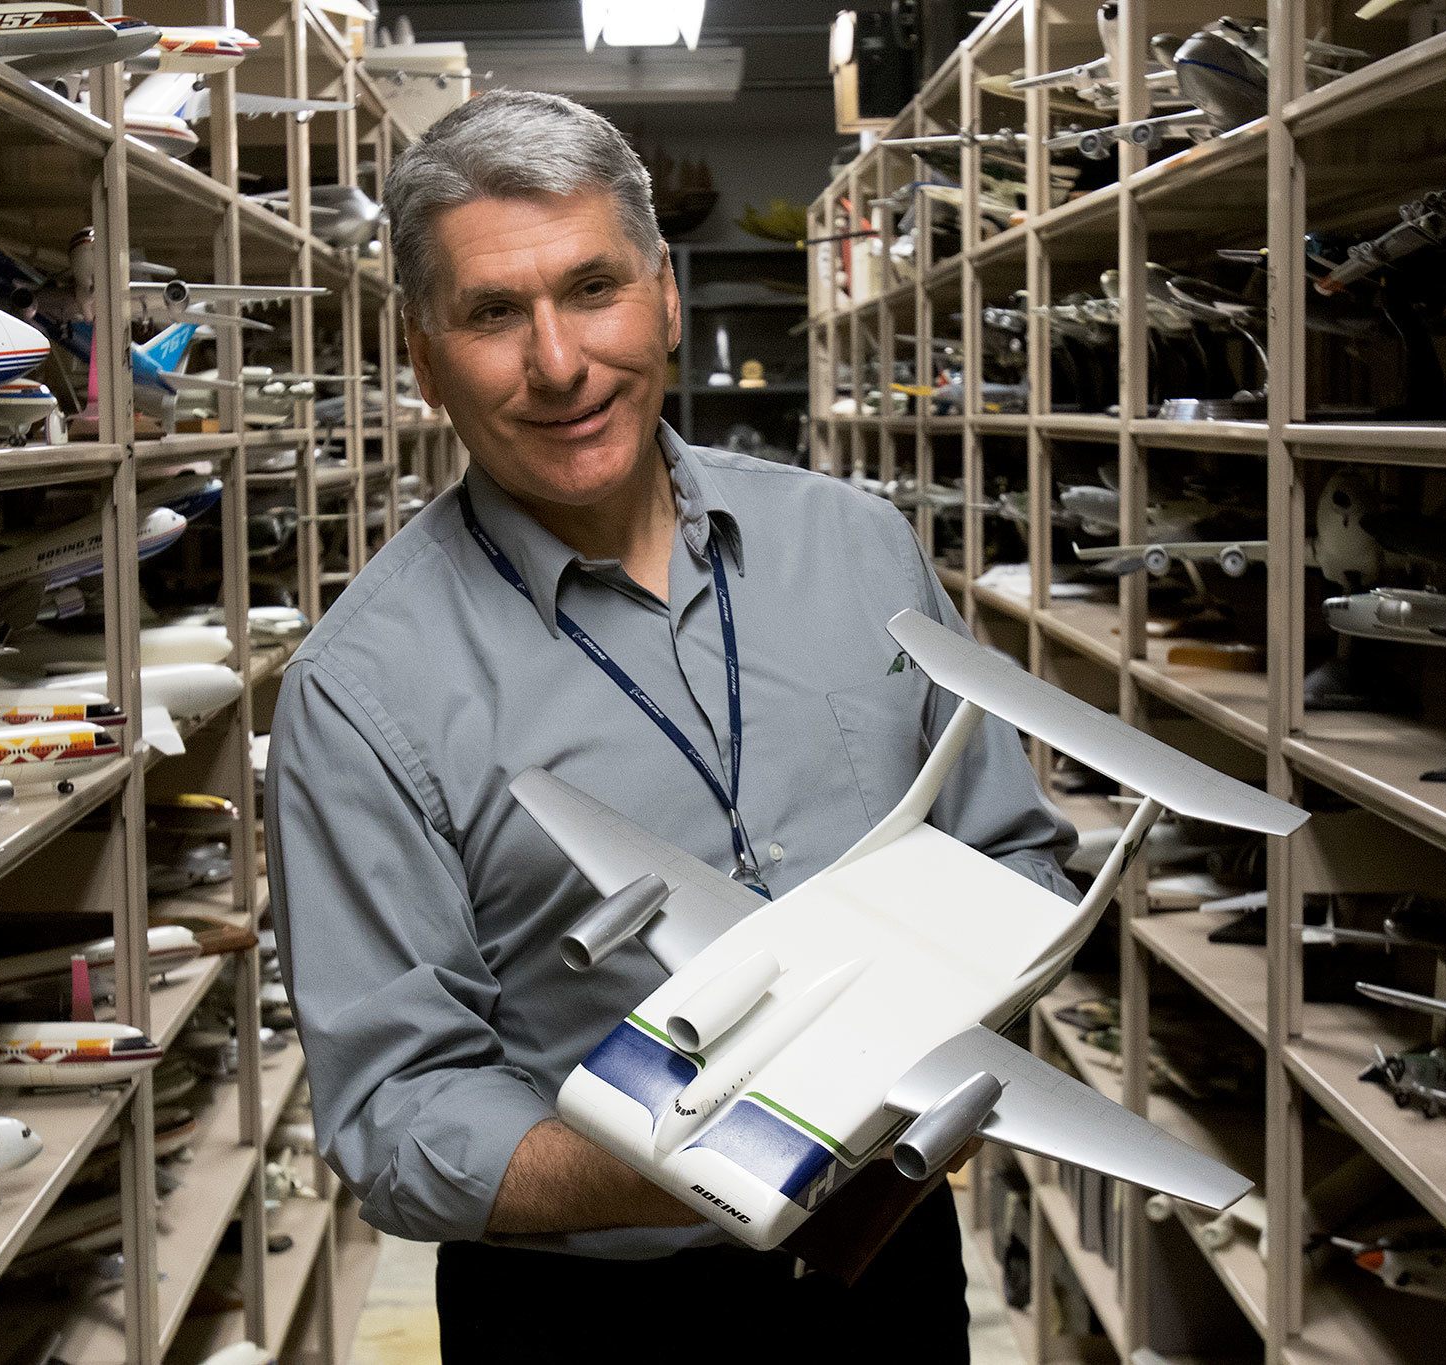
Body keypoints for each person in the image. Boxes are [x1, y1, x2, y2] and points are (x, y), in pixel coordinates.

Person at [267, 89, 1075, 1362]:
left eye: (591, 289)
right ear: (422, 364)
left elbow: (1012, 853)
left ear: (666, 299)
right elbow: (397, 1115)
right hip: (585, 1315)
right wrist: (741, 1155)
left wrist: (918, 1075)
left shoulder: (857, 549)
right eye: (492, 313)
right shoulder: (360, 691)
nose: (557, 364)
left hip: (893, 1273)